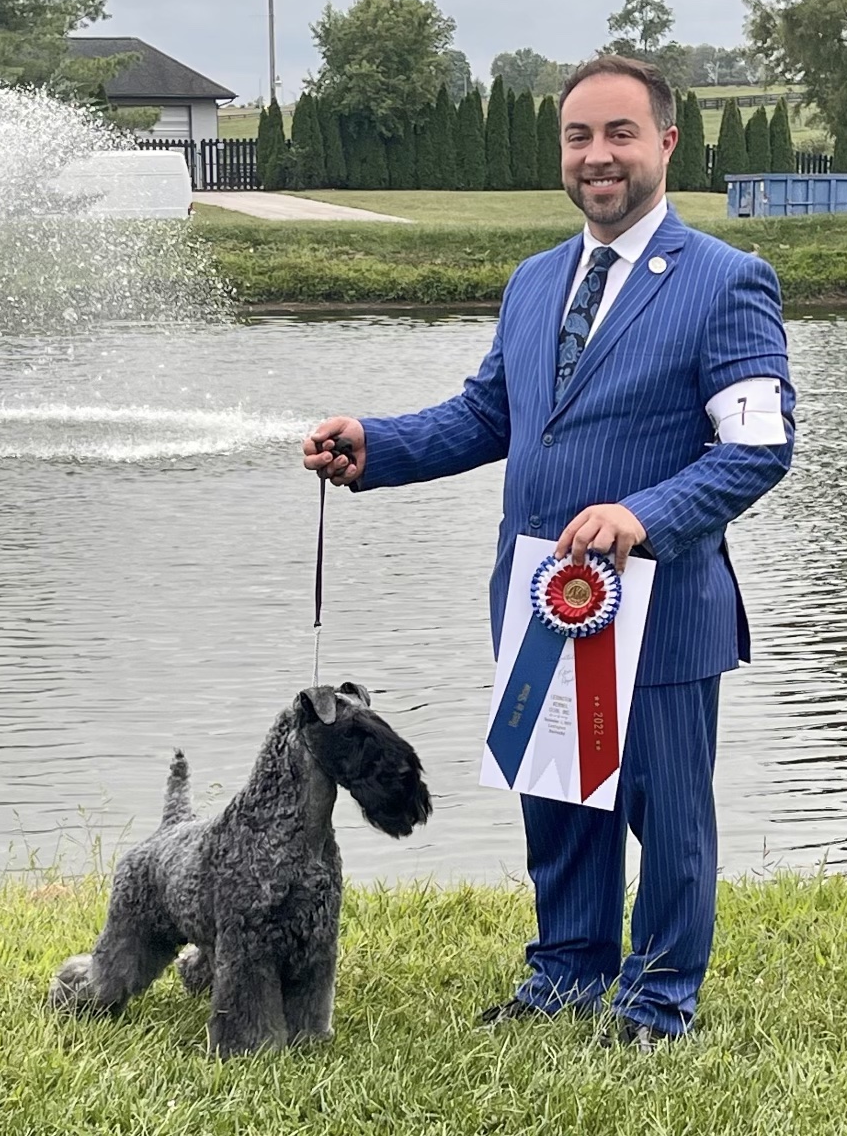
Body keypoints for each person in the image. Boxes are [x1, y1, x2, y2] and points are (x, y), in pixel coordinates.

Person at [302, 55, 794, 1050]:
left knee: (669, 819)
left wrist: (642, 515)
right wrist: (376, 447)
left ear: (665, 143)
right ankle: (568, 972)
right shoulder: (533, 282)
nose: (596, 155)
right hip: (542, 604)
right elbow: (488, 413)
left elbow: (755, 448)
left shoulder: (726, 281)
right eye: (578, 136)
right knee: (560, 796)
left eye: (619, 133)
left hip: (661, 609)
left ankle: (657, 999)